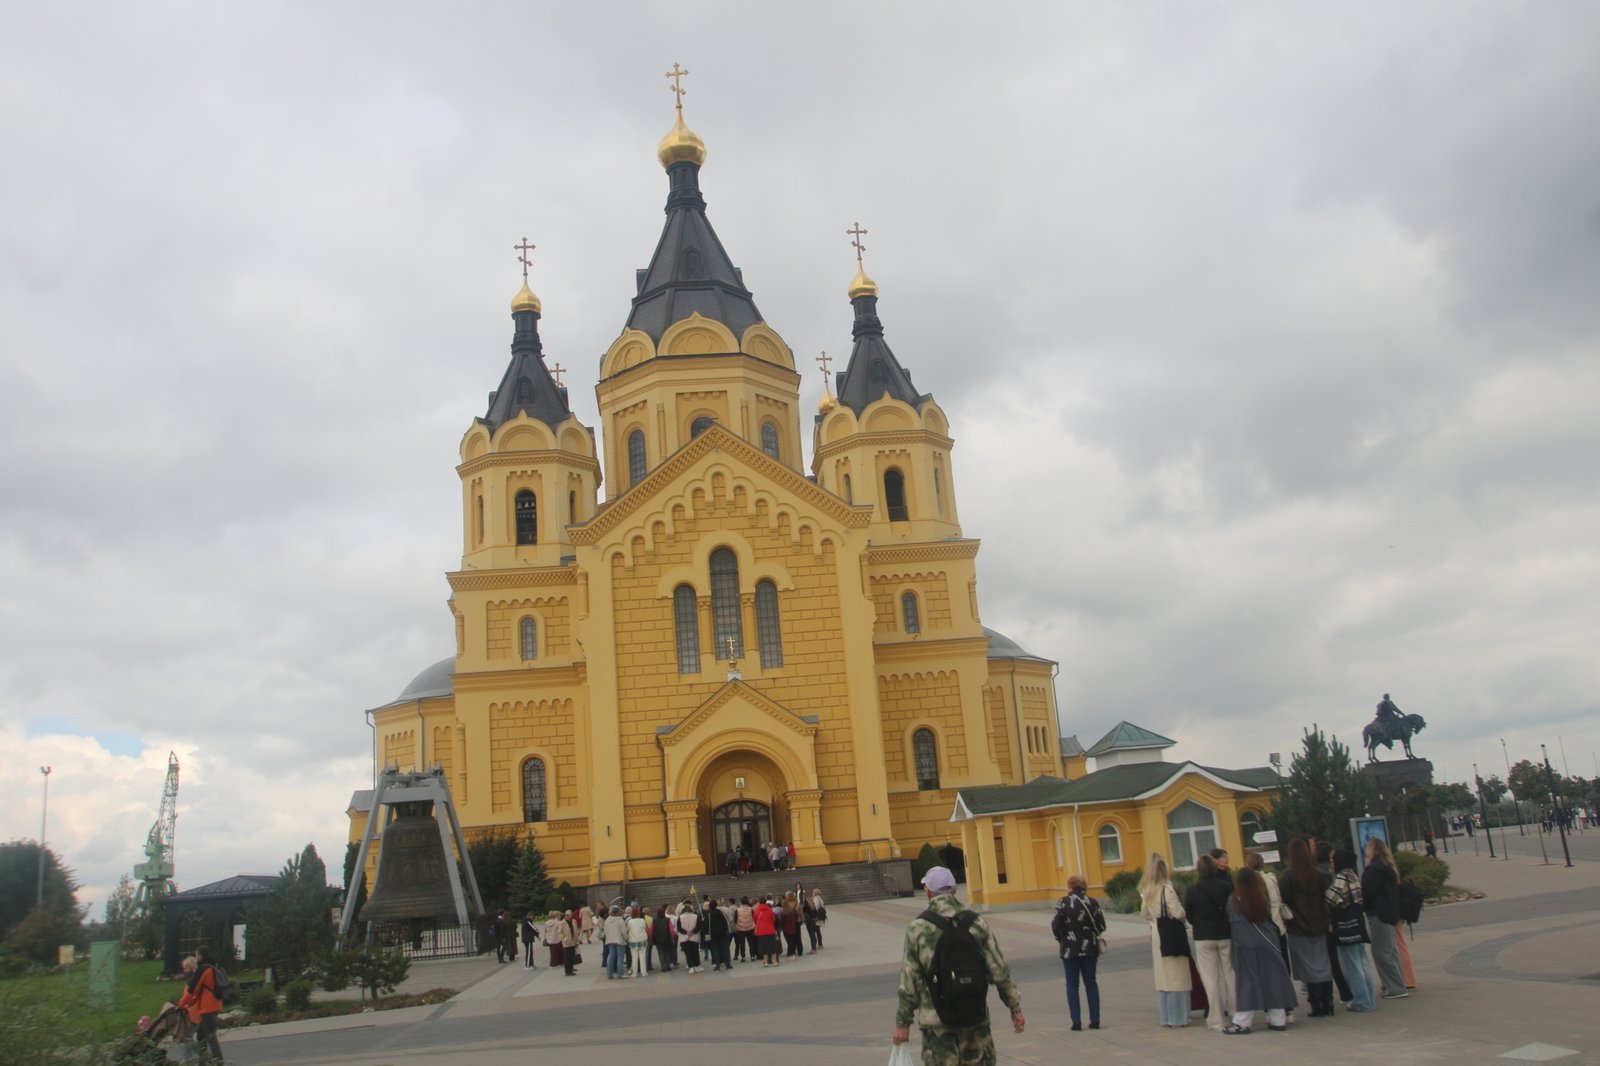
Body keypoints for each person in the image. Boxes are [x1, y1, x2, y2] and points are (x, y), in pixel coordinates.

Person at [893, 866, 1025, 1065]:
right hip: (974, 1016)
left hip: (937, 1023)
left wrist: (902, 1023)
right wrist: (1014, 1008)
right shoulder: (976, 923)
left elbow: (910, 981)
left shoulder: (918, 928)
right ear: (954, 890)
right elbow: (999, 970)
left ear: (928, 892)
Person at [1223, 867, 1299, 1034]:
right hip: (1267, 942)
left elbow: (1232, 921)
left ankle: (1243, 1022)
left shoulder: (1233, 900)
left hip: (1244, 945)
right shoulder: (1261, 898)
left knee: (1246, 982)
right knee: (1273, 979)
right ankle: (1277, 1019)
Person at [1277, 838, 1335, 1017]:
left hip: (1298, 927)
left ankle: (1316, 1003)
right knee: (1323, 964)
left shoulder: (1288, 876)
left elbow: (1283, 900)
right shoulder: (1318, 875)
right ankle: (1328, 1002)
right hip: (1320, 924)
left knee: (1307, 967)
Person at [1138, 853, 1192, 1027]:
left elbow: (1144, 913)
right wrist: (1184, 917)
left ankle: (1166, 1016)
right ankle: (1179, 1017)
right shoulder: (1167, 889)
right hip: (1171, 933)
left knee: (1162, 976)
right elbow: (1177, 913)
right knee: (1177, 974)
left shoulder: (1148, 890)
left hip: (1156, 932)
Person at [1184, 852, 1235, 1031]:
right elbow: (1232, 910)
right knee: (1230, 974)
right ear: (1214, 868)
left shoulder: (1192, 890)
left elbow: (1189, 915)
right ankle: (1237, 1013)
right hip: (1224, 933)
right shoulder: (1226, 887)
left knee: (1210, 979)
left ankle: (1216, 1019)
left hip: (1203, 936)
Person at [1051, 873, 1106, 1031]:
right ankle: (1095, 1020)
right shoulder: (1093, 902)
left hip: (1069, 949)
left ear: (1069, 887)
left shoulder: (1063, 903)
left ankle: (1076, 1021)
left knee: (1072, 985)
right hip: (1090, 949)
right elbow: (1101, 925)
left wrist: (1061, 938)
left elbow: (1055, 925)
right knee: (1091, 982)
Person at [1326, 849, 1376, 1011]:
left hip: (1345, 927)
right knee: (1362, 963)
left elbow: (1330, 899)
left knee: (1351, 966)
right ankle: (1369, 998)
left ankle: (1361, 1001)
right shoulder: (1353, 875)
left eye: (1332, 861)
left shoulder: (1341, 877)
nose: (1331, 864)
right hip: (1358, 925)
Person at [1361, 837, 1408, 998]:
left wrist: (1362, 904)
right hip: (1391, 913)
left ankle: (1395, 987)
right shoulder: (1389, 867)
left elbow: (1368, 892)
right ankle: (1397, 983)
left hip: (1379, 913)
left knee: (1381, 951)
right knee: (1390, 950)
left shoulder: (1374, 869)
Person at [176, 945, 225, 1062]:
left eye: (197, 955)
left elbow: (192, 990)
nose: (196, 957)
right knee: (201, 1036)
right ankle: (204, 1061)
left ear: (201, 956)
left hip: (207, 1008)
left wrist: (181, 1005)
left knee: (210, 1037)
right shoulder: (214, 966)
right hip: (216, 1005)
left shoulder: (203, 969)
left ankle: (218, 1061)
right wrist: (190, 1003)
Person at [601, 905, 627, 980]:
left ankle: (609, 973)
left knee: (611, 956)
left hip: (610, 940)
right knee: (620, 957)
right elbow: (624, 932)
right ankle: (620, 973)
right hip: (619, 940)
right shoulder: (620, 920)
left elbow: (605, 931)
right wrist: (626, 938)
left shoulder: (607, 920)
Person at [753, 894, 779, 966]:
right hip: (770, 930)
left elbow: (755, 920)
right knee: (772, 946)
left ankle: (765, 961)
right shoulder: (769, 910)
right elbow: (773, 919)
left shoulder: (756, 911)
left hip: (760, 931)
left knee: (763, 947)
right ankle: (774, 961)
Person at [677, 901, 702, 973]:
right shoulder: (696, 916)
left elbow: (679, 928)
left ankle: (691, 967)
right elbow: (698, 926)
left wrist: (686, 933)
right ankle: (697, 966)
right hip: (694, 937)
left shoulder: (680, 917)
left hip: (684, 938)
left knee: (688, 953)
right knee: (695, 952)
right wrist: (692, 932)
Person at [626, 906, 650, 978]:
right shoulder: (642, 920)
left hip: (633, 940)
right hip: (642, 940)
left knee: (634, 957)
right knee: (642, 956)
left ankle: (634, 973)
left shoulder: (630, 921)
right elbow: (645, 928)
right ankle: (644, 972)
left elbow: (628, 929)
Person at [735, 896, 756, 962]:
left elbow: (735, 919)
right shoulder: (751, 909)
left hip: (741, 928)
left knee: (742, 943)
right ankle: (752, 956)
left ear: (741, 902)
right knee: (751, 943)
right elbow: (754, 917)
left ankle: (743, 957)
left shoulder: (737, 910)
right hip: (750, 927)